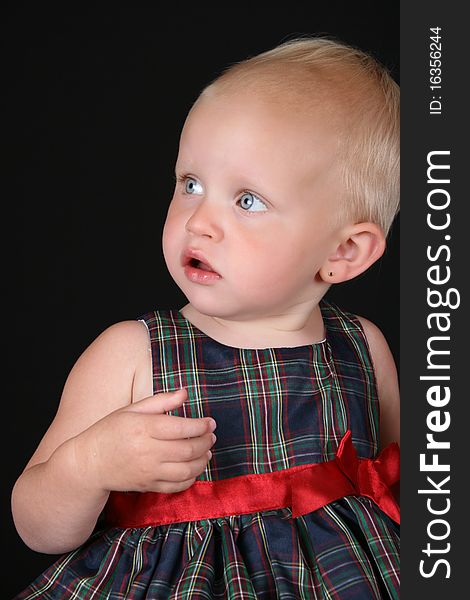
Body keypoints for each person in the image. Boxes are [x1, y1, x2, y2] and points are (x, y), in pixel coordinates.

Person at [12, 36, 400, 599]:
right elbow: (36, 526)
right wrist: (90, 465)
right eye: (190, 184)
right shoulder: (131, 353)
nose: (200, 221)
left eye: (247, 200)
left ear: (343, 253)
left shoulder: (361, 348)